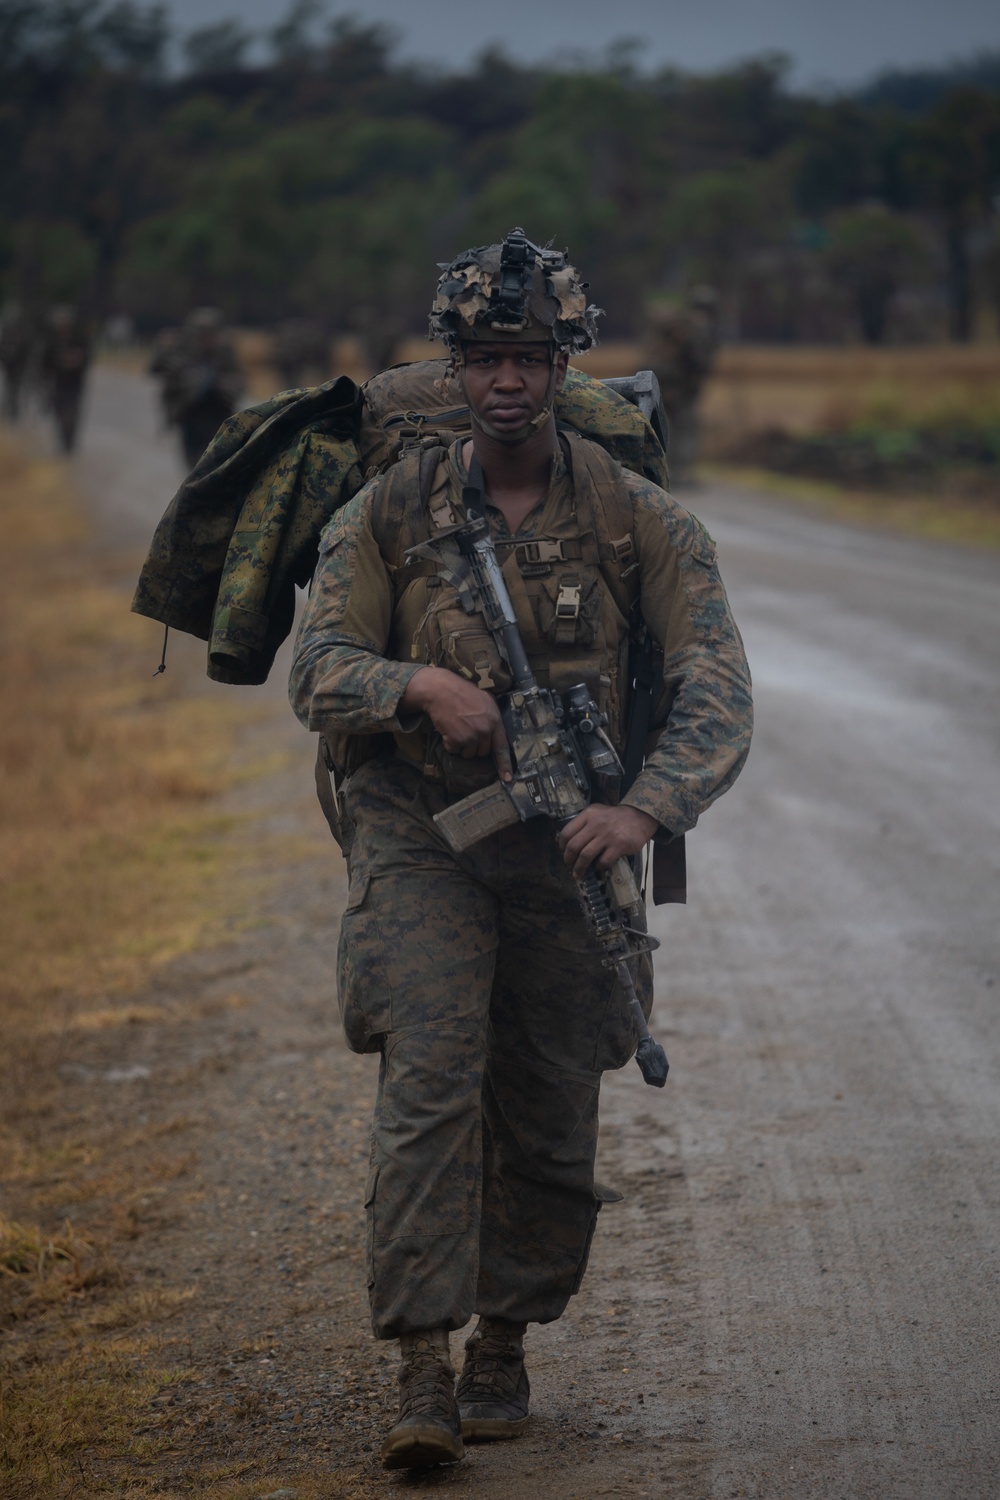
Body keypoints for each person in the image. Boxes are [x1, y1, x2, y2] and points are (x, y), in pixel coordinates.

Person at [291, 230, 753, 1472]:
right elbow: (317, 670)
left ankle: (503, 1338)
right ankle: (420, 1370)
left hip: (572, 839)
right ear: (456, 365)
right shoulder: (389, 510)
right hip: (423, 832)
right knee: (431, 1079)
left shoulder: (635, 517)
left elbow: (716, 684)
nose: (507, 380)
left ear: (564, 366)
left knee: (549, 1097)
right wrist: (417, 687)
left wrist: (643, 813)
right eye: (485, 356)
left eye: (530, 357)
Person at [642, 285, 719, 484]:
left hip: (663, 383)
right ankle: (677, 473)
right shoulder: (696, 328)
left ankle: (663, 471)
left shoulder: (680, 325)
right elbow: (697, 361)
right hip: (677, 387)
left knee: (664, 427)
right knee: (684, 428)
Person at [150, 307, 244, 469]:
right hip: (190, 416)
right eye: (201, 333)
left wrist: (226, 384)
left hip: (217, 417)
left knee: (214, 466)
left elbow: (238, 381)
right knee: (193, 468)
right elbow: (156, 369)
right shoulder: (181, 351)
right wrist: (163, 348)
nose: (206, 338)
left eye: (210, 333)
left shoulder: (223, 353)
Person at [40, 304, 91, 453]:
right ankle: (63, 442)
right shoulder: (51, 340)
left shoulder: (79, 338)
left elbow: (88, 357)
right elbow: (44, 363)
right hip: (57, 382)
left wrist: (76, 360)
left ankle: (69, 443)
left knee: (72, 416)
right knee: (59, 414)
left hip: (75, 383)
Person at [0, 301, 33, 421]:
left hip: (19, 366)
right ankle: (9, 411)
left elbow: (26, 349)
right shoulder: (7, 331)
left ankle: (13, 411)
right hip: (10, 365)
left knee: (15, 388)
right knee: (10, 388)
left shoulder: (23, 331)